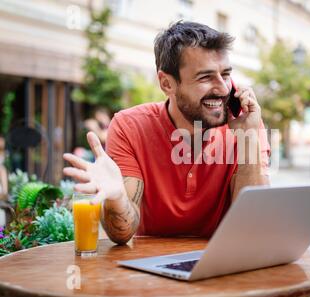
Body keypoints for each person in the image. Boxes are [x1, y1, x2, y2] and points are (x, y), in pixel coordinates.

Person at [63, 21, 270, 244]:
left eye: (226, 74)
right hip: (149, 271)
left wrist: (248, 139)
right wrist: (117, 197)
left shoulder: (245, 123)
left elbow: (253, 228)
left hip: (221, 264)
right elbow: (121, 234)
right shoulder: (129, 126)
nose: (222, 88)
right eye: (205, 77)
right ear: (166, 83)